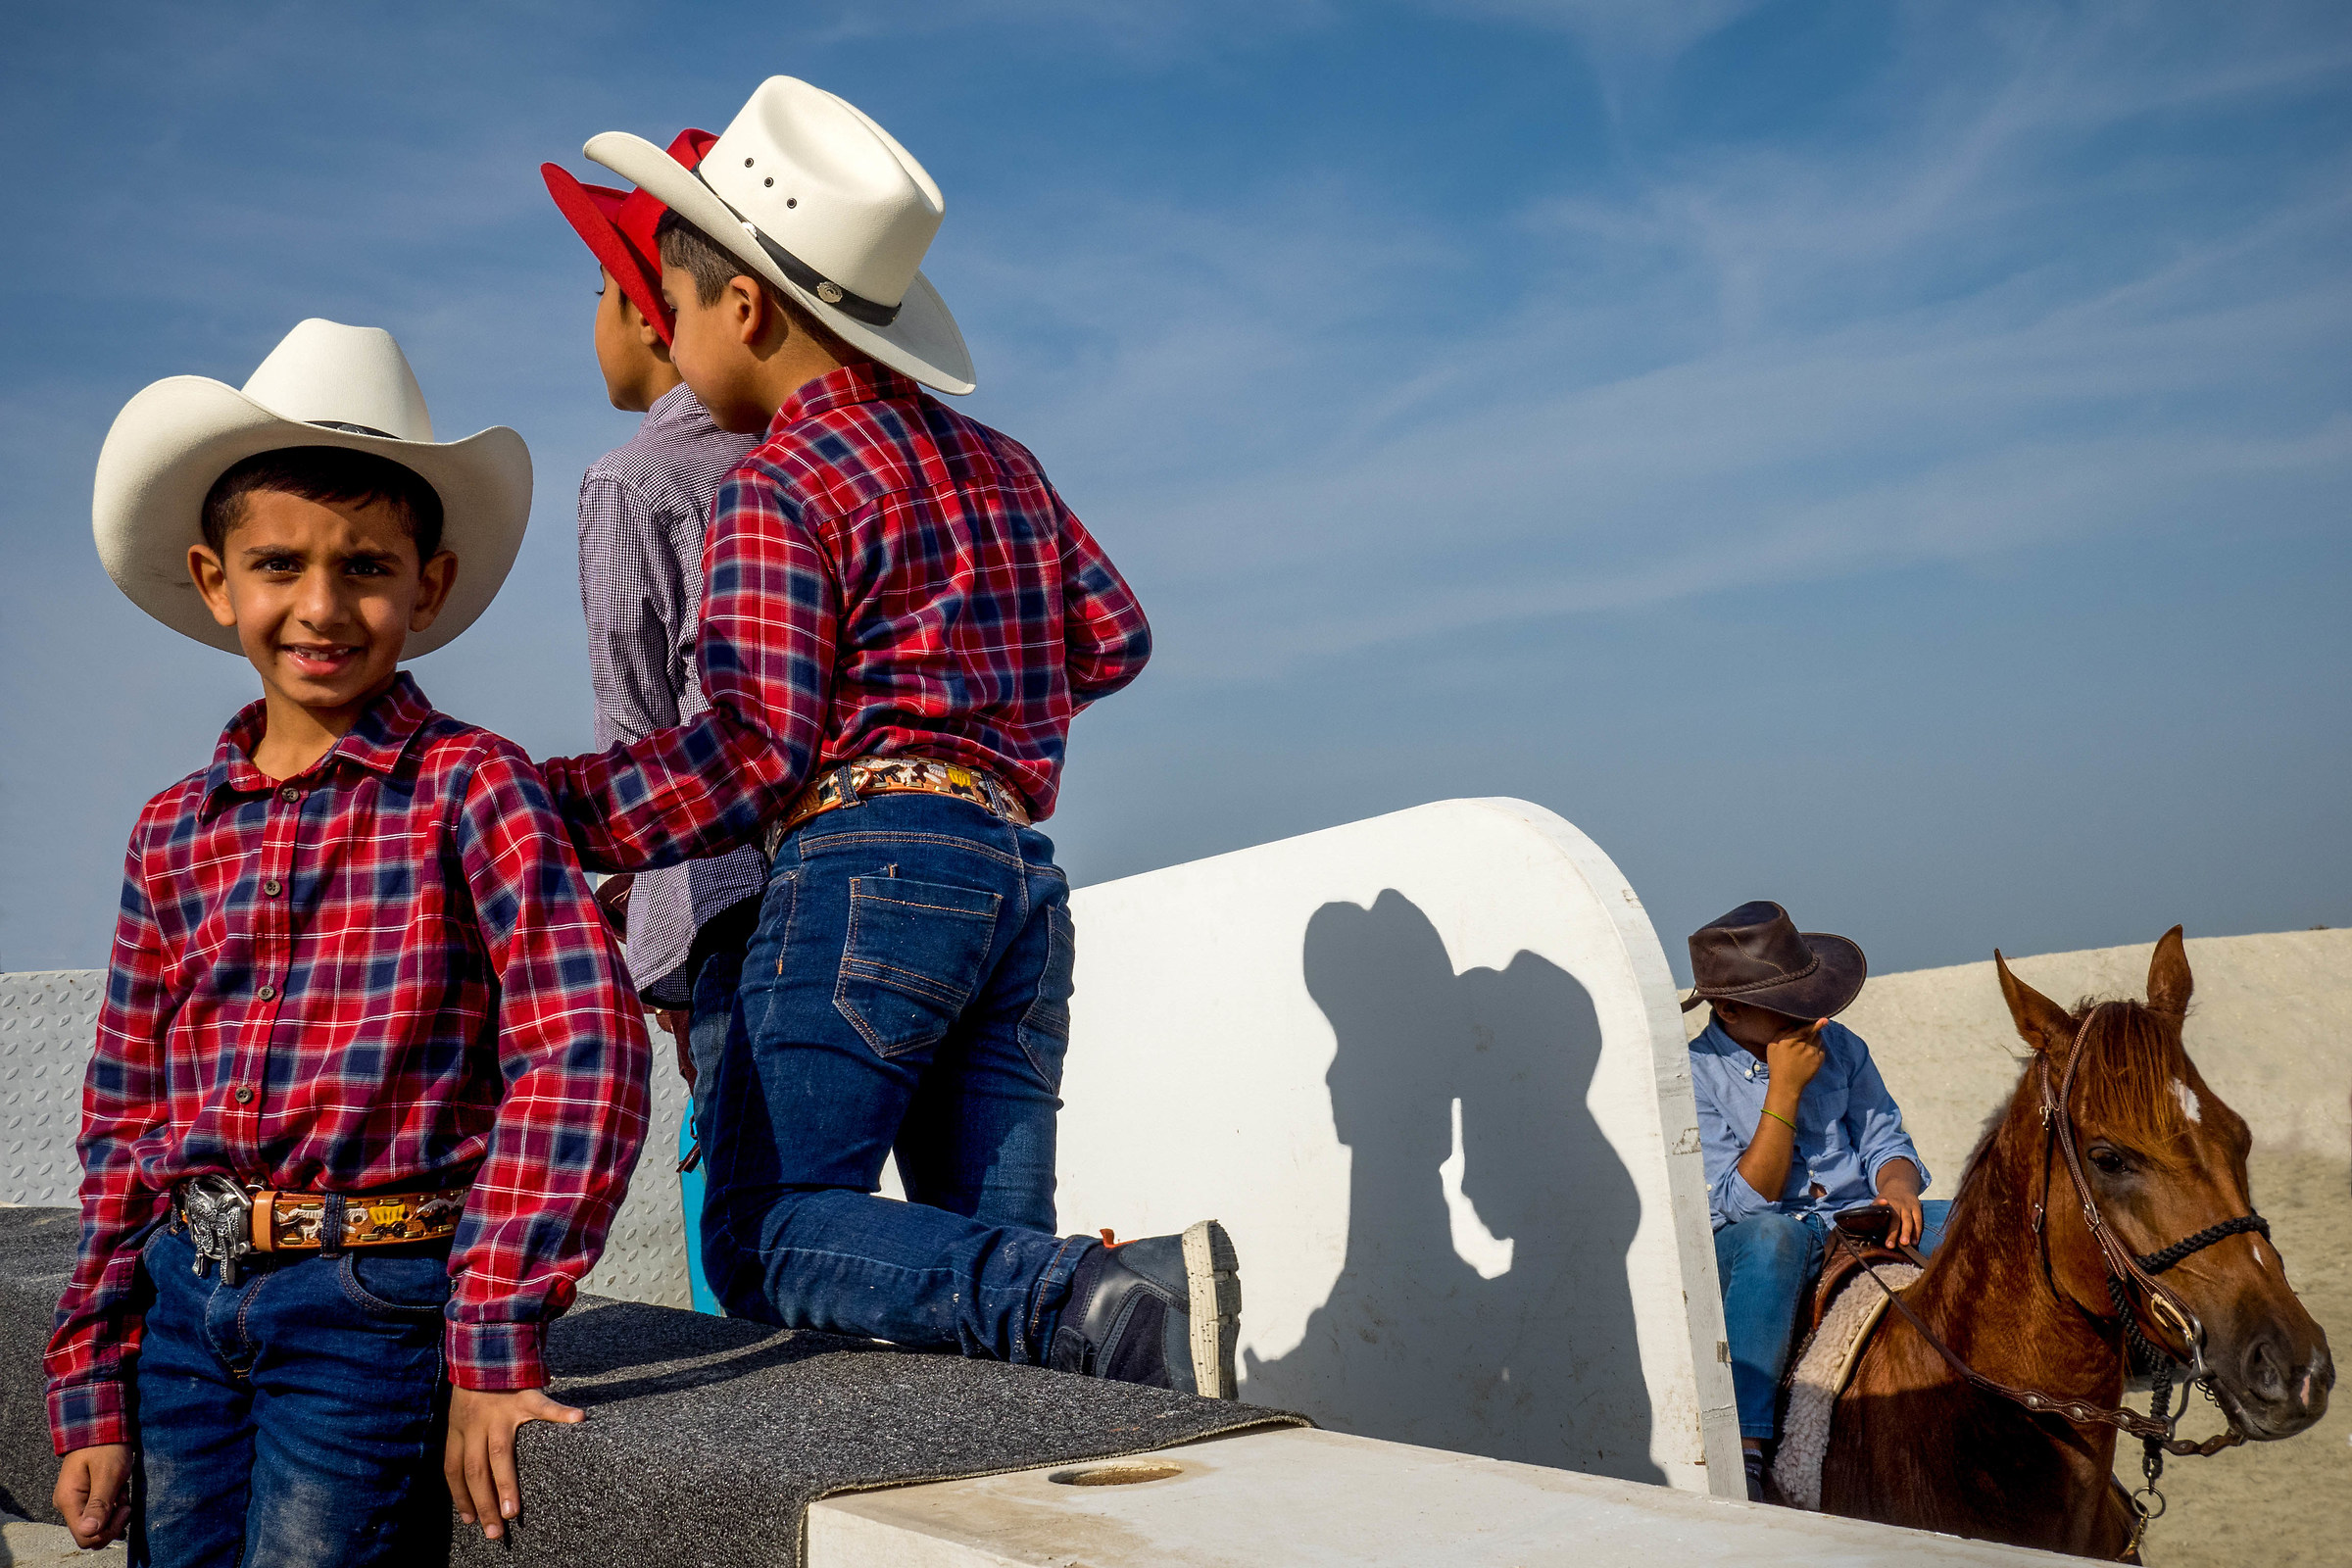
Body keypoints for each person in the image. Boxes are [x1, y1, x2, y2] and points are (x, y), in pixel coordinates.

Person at [535, 75, 1242, 1396]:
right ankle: (1094, 1331)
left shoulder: (779, 484)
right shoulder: (1005, 463)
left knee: (764, 1237)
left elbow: (752, 748)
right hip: (1018, 877)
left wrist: (544, 809)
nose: (671, 339)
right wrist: (975, 715)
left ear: (740, 306)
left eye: (676, 307)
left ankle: (1103, 1285)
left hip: (870, 866)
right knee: (991, 1262)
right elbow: (1116, 636)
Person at [50, 319, 651, 1563]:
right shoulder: (171, 830)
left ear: (425, 587)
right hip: (181, 1304)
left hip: (371, 1307)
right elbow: (124, 1118)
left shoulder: (470, 788)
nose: (321, 607)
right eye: (279, 565)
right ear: (216, 581)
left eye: (367, 568)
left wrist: (494, 1336)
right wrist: (92, 1382)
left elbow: (580, 1055)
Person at [541, 128, 762, 1102]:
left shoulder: (633, 482)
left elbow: (637, 737)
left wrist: (651, 909)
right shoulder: (801, 459)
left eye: (599, 292)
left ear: (646, 311)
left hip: (729, 898)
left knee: (760, 1217)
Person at [1683, 901, 1946, 1500]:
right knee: (1775, 1240)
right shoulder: (1693, 1075)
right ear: (1729, 1009)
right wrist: (1786, 1087)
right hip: (1762, 1237)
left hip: (1859, 1217)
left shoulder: (1844, 1047)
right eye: (1792, 1007)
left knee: (1974, 1218)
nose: (1816, 1018)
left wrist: (1898, 1186)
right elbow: (1742, 1204)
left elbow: (1885, 1139)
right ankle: (1746, 1447)